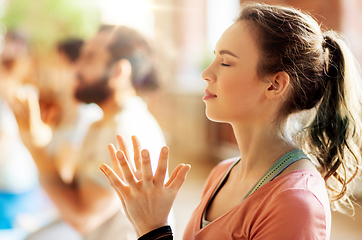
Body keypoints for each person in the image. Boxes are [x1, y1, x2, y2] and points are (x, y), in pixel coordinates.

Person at [100, 3, 362, 240]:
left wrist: (154, 230)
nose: (205, 73)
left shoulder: (296, 201)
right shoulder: (222, 173)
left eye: (225, 62)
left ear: (275, 84)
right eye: (214, 57)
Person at [11, 25, 166, 240]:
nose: (77, 68)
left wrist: (35, 148)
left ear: (118, 72)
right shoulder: (102, 122)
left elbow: (81, 216)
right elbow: (73, 189)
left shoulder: (125, 130)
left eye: (89, 58)